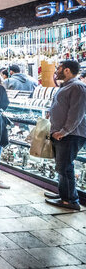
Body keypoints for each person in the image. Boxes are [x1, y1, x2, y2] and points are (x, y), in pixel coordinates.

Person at [46, 60, 86, 210]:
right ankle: (64, 194)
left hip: (70, 134)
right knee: (61, 166)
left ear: (67, 70)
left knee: (65, 167)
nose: (56, 71)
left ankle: (70, 200)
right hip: (62, 134)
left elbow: (77, 114)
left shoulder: (78, 87)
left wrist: (63, 132)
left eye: (59, 68)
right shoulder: (67, 86)